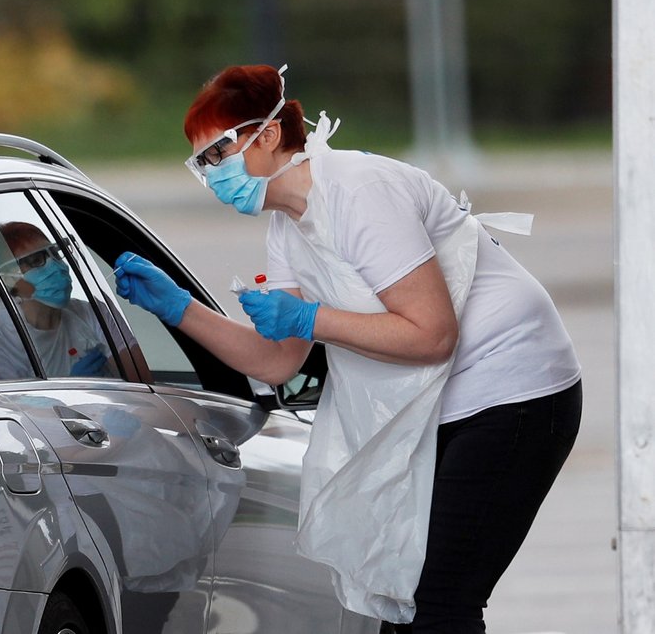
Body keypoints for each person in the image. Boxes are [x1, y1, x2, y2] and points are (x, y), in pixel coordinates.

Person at [113, 64, 581, 633]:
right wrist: (179, 308)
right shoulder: (288, 229)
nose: (212, 175)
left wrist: (312, 318)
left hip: (515, 388)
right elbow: (277, 360)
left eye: (217, 153)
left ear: (267, 135)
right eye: (201, 164)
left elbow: (432, 336)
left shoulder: (357, 192)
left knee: (440, 604)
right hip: (444, 404)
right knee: (405, 606)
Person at [0, 221, 112, 379]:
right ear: (6, 277)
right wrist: (69, 389)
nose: (57, 267)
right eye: (36, 260)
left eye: (55, 254)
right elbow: (9, 403)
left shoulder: (90, 312)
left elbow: (138, 379)